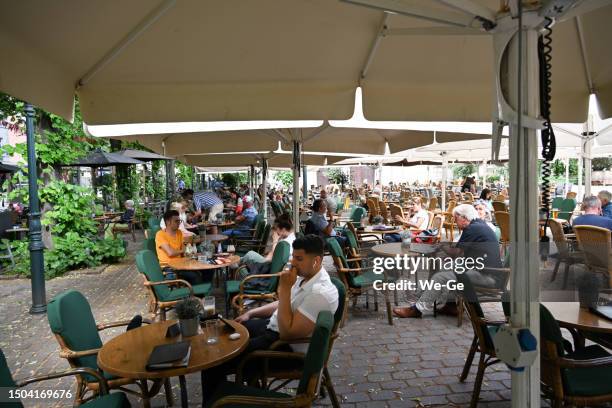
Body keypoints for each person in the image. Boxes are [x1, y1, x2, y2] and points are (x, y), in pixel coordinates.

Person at [200, 235, 339, 403]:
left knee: (216, 360)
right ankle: (243, 387)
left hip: (284, 349)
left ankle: (218, 401)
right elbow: (285, 304)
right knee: (231, 330)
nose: (293, 263)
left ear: (316, 261)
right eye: (293, 257)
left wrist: (285, 288)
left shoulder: (320, 293)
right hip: (273, 328)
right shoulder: (306, 277)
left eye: (299, 258)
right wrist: (252, 313)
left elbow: (288, 333)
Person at [393, 204, 502, 318]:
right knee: (446, 267)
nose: (454, 222)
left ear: (464, 218)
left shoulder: (472, 228)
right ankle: (451, 306)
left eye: (455, 218)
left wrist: (441, 246)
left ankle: (417, 310)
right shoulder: (478, 225)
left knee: (440, 277)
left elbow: (455, 252)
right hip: (484, 270)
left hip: (488, 276)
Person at [155, 210, 201, 285]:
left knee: (206, 270)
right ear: (168, 222)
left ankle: (200, 293)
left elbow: (183, 250)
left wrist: (192, 255)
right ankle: (197, 295)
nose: (179, 223)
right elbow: (170, 253)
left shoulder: (179, 232)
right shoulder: (160, 234)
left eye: (179, 221)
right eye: (176, 221)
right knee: (195, 276)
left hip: (181, 264)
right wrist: (184, 250)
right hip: (168, 267)